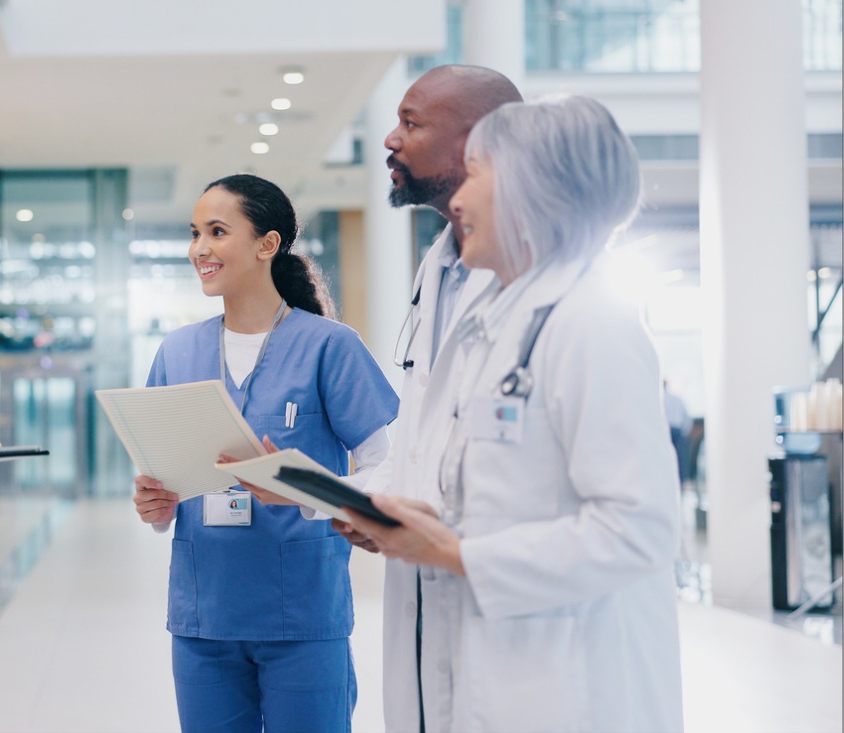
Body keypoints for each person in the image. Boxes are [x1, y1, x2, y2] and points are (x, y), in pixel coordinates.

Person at [345, 95, 684, 732]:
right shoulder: (498, 323)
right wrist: (402, 515)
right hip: (495, 668)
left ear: (535, 188)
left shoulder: (592, 324)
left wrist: (458, 552)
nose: (460, 201)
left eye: (476, 175)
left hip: (574, 682)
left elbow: (638, 529)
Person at [132, 173, 400, 733]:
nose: (199, 249)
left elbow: (389, 468)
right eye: (195, 233)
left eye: (217, 231)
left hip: (302, 613)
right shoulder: (177, 352)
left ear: (267, 244)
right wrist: (155, 506)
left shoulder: (330, 346)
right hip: (204, 616)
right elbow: (164, 478)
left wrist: (302, 491)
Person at [327, 64, 521, 733]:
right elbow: (421, 435)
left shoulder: (531, 291)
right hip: (423, 609)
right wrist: (354, 496)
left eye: (410, 123)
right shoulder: (435, 268)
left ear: (474, 143)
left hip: (504, 622)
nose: (389, 138)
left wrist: (447, 544)